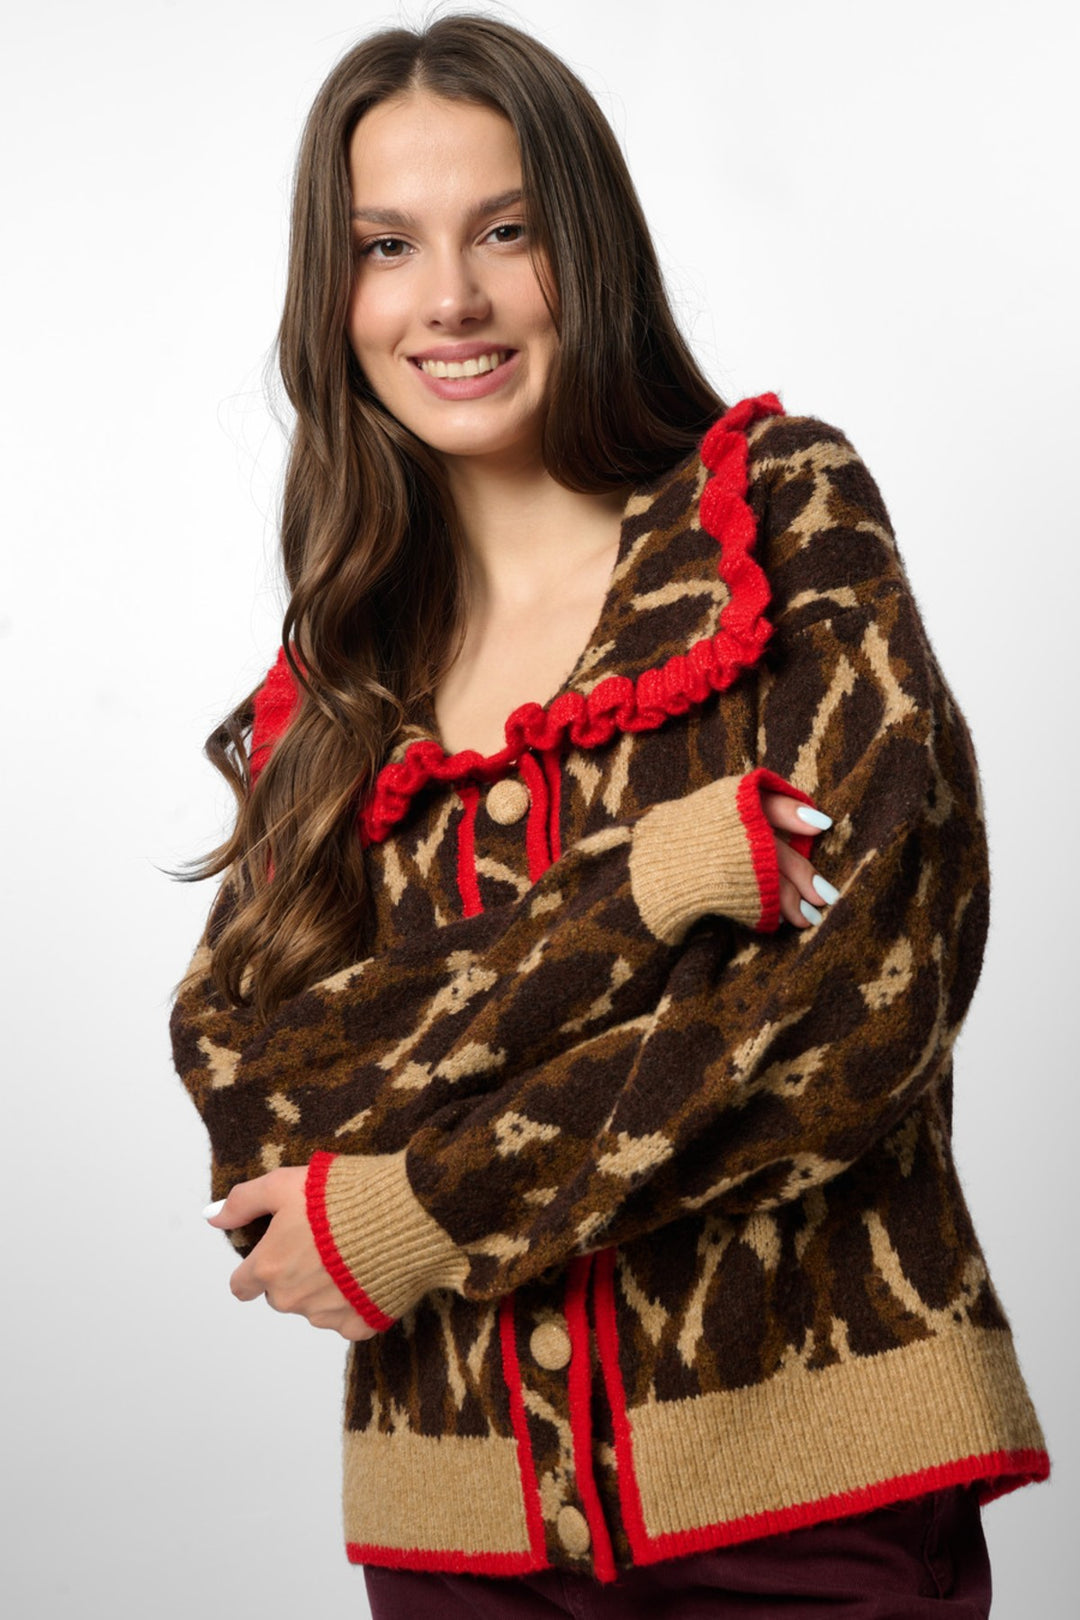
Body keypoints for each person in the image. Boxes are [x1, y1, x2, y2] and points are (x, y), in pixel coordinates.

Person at [170, 15, 1048, 1617]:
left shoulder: (776, 516)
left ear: (589, 250)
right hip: (459, 1541)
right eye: (386, 246)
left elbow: (867, 1000)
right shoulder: (340, 682)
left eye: (506, 231)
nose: (451, 297)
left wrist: (421, 1205)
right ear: (332, 295)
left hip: (816, 1497)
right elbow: (262, 1089)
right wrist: (651, 892)